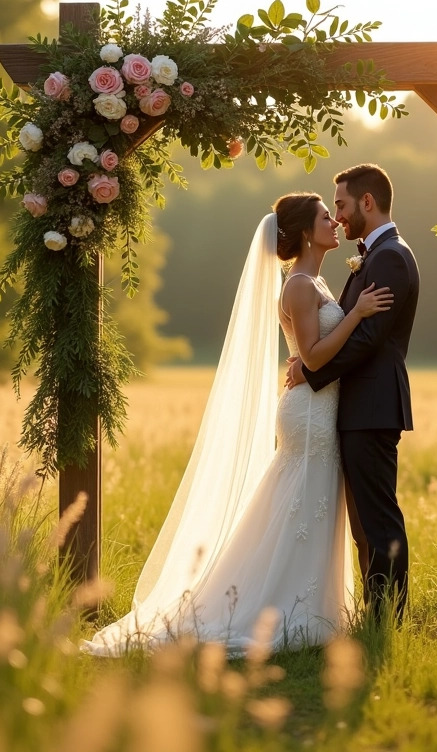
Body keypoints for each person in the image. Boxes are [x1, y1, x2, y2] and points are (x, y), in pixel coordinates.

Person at [80, 193, 392, 656]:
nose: (335, 221)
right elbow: (312, 355)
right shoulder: (301, 286)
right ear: (306, 232)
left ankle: (307, 606)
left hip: (321, 406)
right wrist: (359, 317)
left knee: (312, 503)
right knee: (305, 499)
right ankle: (284, 610)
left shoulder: (316, 283)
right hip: (310, 411)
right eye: (326, 216)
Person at [287, 163, 419, 623]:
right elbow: (352, 325)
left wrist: (311, 368)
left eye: (340, 205)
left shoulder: (390, 258)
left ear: (367, 201)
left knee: (378, 520)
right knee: (366, 523)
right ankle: (376, 611)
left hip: (372, 407)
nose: (338, 216)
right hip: (358, 406)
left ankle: (387, 619)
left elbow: (368, 338)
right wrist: (312, 363)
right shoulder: (376, 255)